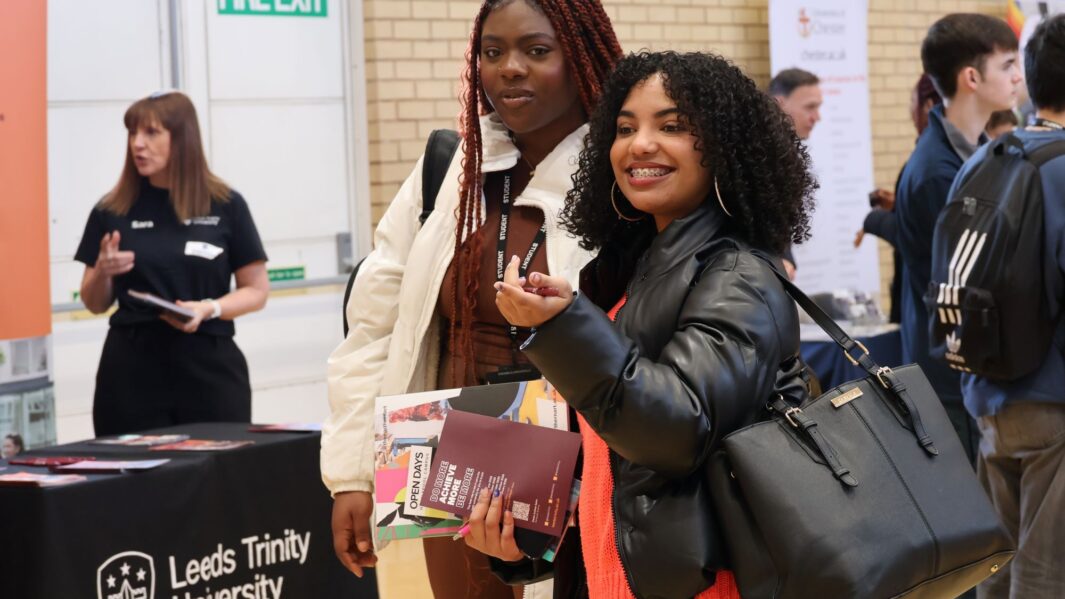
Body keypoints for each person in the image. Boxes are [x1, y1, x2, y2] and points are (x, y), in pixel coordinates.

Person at [465, 51, 816, 599]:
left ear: (725, 149)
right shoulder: (623, 271)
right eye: (625, 128)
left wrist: (564, 330)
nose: (640, 144)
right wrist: (527, 540)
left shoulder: (738, 276)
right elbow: (613, 469)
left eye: (671, 126)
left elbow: (676, 431)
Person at [320, 1, 622, 597]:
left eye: (537, 51)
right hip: (453, 459)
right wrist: (352, 475)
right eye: (492, 52)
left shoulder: (620, 175)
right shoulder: (450, 168)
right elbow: (375, 329)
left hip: (586, 471)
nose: (509, 68)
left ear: (582, 57)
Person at [75, 91, 269, 436]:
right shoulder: (111, 210)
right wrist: (103, 272)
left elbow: (256, 291)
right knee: (133, 483)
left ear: (182, 139)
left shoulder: (226, 205)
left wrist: (207, 308)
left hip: (209, 365)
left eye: (151, 133)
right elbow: (93, 302)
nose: (138, 144)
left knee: (219, 479)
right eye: (133, 133)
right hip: (131, 370)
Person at [951, 15, 1065, 599]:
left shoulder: (985, 159)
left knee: (996, 567)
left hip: (988, 394)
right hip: (1054, 399)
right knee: (1048, 574)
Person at [895, 13, 1021, 463]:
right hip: (950, 376)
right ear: (972, 77)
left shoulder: (979, 152)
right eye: (1007, 65)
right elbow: (962, 284)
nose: (1018, 75)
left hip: (973, 370)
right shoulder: (936, 172)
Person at [854, 73, 942, 323]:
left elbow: (915, 235)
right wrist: (896, 205)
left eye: (912, 102)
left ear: (926, 105)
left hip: (923, 299)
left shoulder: (929, 163)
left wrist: (874, 220)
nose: (910, 112)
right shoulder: (931, 159)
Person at [768, 67, 821, 280]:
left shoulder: (784, 151)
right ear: (779, 103)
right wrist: (780, 257)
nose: (817, 117)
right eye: (810, 107)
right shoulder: (758, 155)